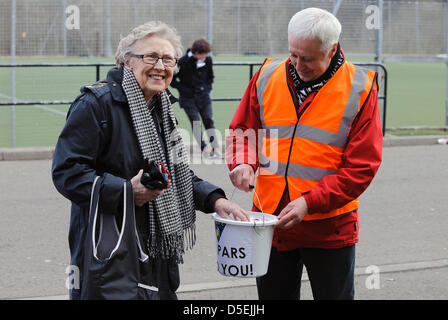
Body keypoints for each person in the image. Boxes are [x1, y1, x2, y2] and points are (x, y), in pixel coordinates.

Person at [52, 21, 249, 300]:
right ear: (126, 62)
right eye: (151, 57)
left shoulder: (163, 109)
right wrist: (126, 191)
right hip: (111, 248)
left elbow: (176, 175)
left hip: (156, 252)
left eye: (168, 59)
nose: (161, 65)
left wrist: (215, 200)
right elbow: (67, 173)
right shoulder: (96, 104)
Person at [226, 8, 383, 300]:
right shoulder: (267, 74)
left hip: (329, 227)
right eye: (293, 54)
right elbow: (242, 131)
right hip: (269, 222)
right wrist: (242, 163)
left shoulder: (360, 88)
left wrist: (309, 203)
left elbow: (362, 167)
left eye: (308, 58)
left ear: (332, 49)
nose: (298, 64)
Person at [170, 38, 222, 158]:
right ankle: (205, 149)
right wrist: (183, 89)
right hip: (188, 99)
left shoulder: (208, 60)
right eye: (204, 54)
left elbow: (210, 78)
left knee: (208, 120)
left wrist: (206, 89)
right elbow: (172, 79)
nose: (207, 56)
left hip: (204, 98)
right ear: (197, 53)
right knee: (196, 123)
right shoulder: (182, 62)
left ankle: (215, 147)